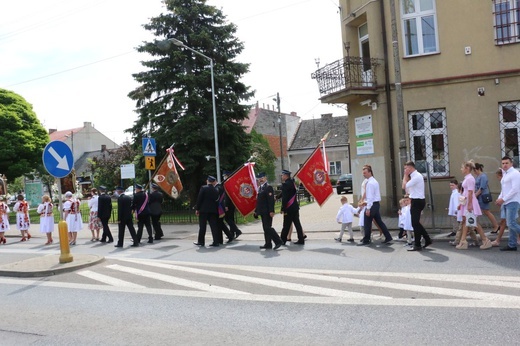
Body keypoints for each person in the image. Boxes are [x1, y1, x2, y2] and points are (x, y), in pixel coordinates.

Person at [455, 160, 492, 250]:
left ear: (467, 168)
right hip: (466, 202)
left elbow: (471, 193)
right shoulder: (467, 178)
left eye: (462, 167)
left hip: (469, 202)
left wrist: (469, 205)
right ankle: (463, 241)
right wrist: (461, 204)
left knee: (473, 222)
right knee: (466, 221)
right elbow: (466, 193)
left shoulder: (470, 179)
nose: (461, 169)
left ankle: (485, 240)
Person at [358, 165, 392, 246]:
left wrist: (368, 208)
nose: (364, 174)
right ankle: (388, 237)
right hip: (376, 204)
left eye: (365, 173)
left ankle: (366, 240)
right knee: (379, 222)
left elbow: (370, 197)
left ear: (370, 172)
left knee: (367, 222)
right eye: (363, 173)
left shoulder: (370, 183)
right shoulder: (374, 181)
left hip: (372, 205)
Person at [402, 161, 432, 251]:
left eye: (406, 168)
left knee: (415, 223)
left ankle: (418, 244)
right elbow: (407, 190)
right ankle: (426, 239)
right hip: (415, 200)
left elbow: (404, 186)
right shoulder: (413, 176)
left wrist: (405, 175)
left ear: (410, 168)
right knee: (415, 223)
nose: (405, 170)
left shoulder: (416, 176)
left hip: (417, 201)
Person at [496, 156, 520, 251]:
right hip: (506, 201)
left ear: (511, 163)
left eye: (507, 163)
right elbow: (504, 189)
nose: (505, 165)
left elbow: (515, 189)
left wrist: (503, 199)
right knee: (511, 223)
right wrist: (500, 198)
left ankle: (512, 244)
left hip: (513, 201)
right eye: (503, 163)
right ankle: (512, 245)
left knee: (511, 223)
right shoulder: (505, 174)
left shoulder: (515, 173)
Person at [255, 172, 283, 250]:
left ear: (265, 178)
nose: (261, 179)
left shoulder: (268, 187)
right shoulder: (260, 188)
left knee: (268, 227)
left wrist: (271, 211)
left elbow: (271, 200)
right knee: (265, 228)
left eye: (262, 178)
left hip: (268, 211)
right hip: (262, 211)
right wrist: (256, 211)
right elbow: (259, 201)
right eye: (259, 178)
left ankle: (278, 241)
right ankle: (268, 243)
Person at [279, 169, 305, 245]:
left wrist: (283, 208)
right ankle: (301, 239)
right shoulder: (292, 183)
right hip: (295, 207)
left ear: (285, 176)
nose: (282, 176)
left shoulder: (285, 184)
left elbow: (285, 198)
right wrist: (277, 197)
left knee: (286, 225)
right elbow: (286, 193)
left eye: (282, 175)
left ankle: (282, 240)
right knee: (297, 224)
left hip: (289, 208)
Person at [194, 176, 220, 247]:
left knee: (202, 226)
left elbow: (200, 199)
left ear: (207, 181)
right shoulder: (216, 190)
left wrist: (197, 209)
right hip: (213, 210)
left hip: (203, 210)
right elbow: (216, 200)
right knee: (213, 226)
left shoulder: (203, 188)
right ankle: (216, 241)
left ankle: (201, 241)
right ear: (213, 182)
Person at [474, 163, 499, 233]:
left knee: (486, 212)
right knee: (476, 212)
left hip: (483, 197)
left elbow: (481, 188)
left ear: (478, 169)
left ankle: (496, 226)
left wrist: (475, 195)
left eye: (475, 170)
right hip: (478, 197)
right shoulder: (477, 176)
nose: (474, 172)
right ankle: (475, 227)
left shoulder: (483, 176)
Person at [222, 171, 243, 240]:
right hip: (232, 204)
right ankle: (232, 233)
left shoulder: (228, 183)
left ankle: (237, 231)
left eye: (225, 176)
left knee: (227, 219)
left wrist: (226, 205)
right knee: (231, 219)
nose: (224, 177)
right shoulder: (231, 182)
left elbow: (227, 196)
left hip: (229, 204)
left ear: (228, 176)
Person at [214, 178, 234, 244]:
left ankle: (222, 239)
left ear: (214, 181)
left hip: (220, 209)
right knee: (220, 224)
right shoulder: (219, 186)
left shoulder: (218, 187)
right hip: (220, 208)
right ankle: (228, 237)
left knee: (219, 224)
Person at [491, 169, 507, 246]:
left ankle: (498, 240)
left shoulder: (505, 182)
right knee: (504, 222)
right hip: (504, 203)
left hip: (507, 203)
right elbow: (502, 192)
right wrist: (499, 199)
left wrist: (501, 200)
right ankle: (498, 240)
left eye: (498, 177)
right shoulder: (503, 183)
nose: (498, 179)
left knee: (508, 223)